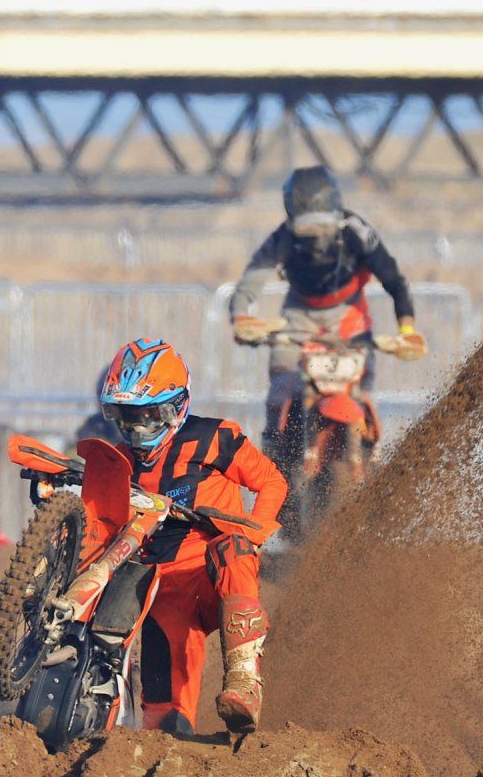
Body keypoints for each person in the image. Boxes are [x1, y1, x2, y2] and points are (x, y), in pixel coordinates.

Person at [94, 339, 285, 734]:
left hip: (217, 566)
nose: (137, 430)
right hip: (163, 586)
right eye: (127, 418)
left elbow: (270, 481)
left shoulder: (214, 436)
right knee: (164, 717)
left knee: (232, 550)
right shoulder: (117, 461)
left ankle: (245, 682)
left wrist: (257, 530)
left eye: (147, 416)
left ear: (175, 406)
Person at [229, 167, 425, 491]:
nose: (315, 238)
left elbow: (393, 279)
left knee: (360, 394)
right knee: (280, 392)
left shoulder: (356, 230)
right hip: (298, 318)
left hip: (350, 318)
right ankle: (273, 465)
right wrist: (241, 318)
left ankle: (368, 458)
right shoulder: (283, 237)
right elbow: (250, 282)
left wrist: (407, 328)